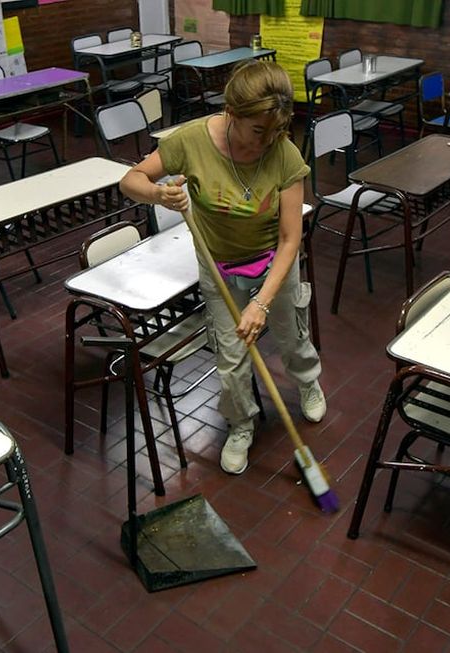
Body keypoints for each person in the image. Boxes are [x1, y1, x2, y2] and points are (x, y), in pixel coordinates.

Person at [119, 60, 325, 475]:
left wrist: (262, 304)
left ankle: (307, 383)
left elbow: (290, 240)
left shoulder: (284, 155)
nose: (267, 141)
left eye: (277, 131)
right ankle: (240, 424)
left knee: (291, 336)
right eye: (258, 131)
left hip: (273, 264)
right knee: (231, 357)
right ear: (232, 114)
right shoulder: (192, 141)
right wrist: (159, 195)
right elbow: (131, 179)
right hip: (218, 267)